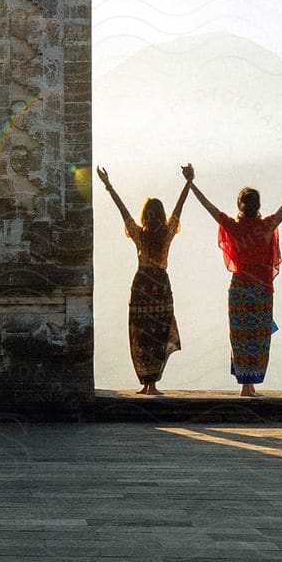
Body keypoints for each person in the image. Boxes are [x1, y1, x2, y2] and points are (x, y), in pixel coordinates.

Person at [186, 160, 282, 397]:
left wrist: (191, 184)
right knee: (258, 335)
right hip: (261, 290)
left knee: (241, 335)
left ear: (240, 206)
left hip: (239, 289)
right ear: (258, 206)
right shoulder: (266, 226)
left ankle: (247, 385)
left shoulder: (233, 227)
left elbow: (209, 207)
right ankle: (249, 386)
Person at [96, 164, 192, 395]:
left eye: (151, 214)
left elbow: (126, 212)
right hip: (154, 286)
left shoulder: (147, 234)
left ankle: (151, 383)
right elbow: (125, 211)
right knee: (148, 334)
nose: (150, 217)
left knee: (149, 334)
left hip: (147, 285)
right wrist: (188, 183)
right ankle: (150, 383)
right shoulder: (157, 234)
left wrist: (109, 186)